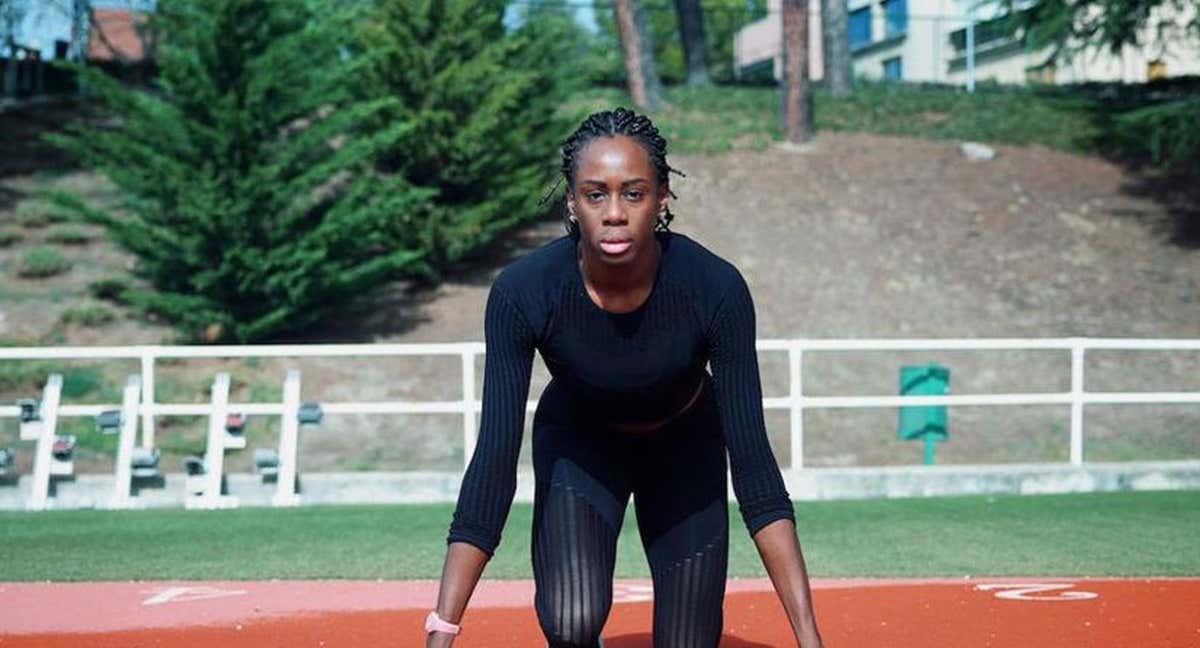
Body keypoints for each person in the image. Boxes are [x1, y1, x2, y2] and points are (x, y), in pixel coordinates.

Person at [425, 107, 824, 648]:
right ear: (571, 200)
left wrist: (809, 638)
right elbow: (493, 465)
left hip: (686, 448)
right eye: (595, 194)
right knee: (571, 617)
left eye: (633, 193)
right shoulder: (524, 292)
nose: (614, 213)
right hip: (579, 447)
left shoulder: (716, 289)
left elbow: (755, 470)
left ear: (663, 198)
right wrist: (442, 629)